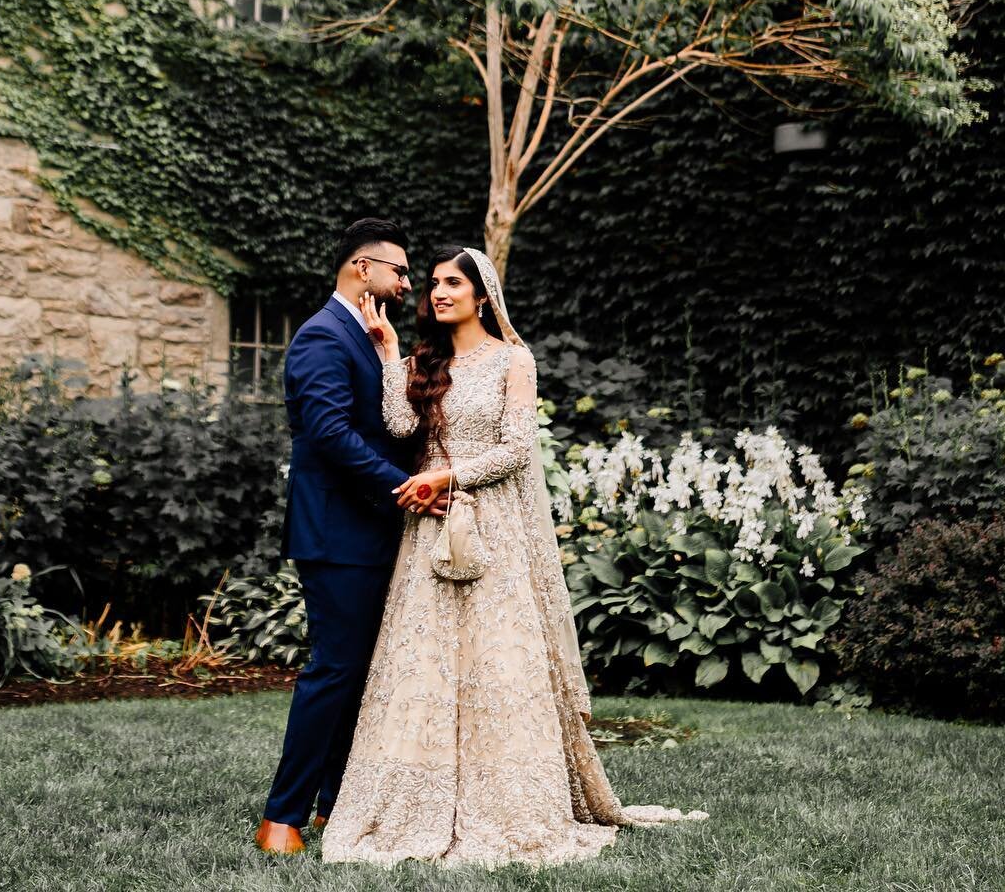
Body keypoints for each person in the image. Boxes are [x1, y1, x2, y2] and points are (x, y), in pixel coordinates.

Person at [320, 243, 709, 869]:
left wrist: (446, 479)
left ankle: (508, 804)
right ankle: (410, 801)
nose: (440, 293)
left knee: (497, 662)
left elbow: (515, 452)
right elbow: (398, 428)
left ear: (483, 293)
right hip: (429, 527)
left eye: (454, 283)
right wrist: (389, 352)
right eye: (435, 284)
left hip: (490, 525)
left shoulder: (513, 361)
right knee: (423, 661)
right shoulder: (426, 359)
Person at [255, 216, 445, 856]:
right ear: (362, 267)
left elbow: (383, 420)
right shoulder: (320, 336)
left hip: (366, 528)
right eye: (399, 270)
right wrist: (405, 486)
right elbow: (330, 435)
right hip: (337, 530)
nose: (407, 281)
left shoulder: (364, 334)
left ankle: (333, 805)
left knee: (358, 673)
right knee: (334, 670)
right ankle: (281, 816)